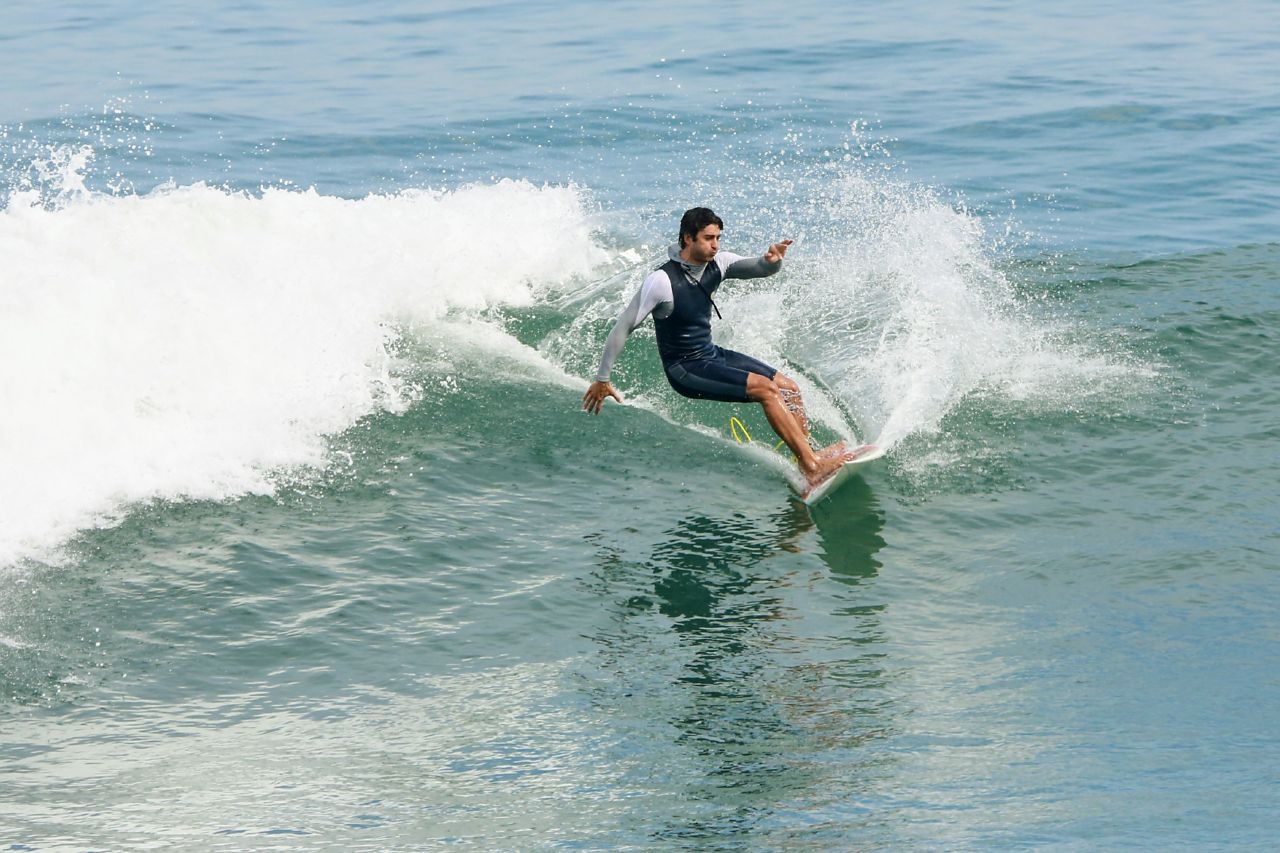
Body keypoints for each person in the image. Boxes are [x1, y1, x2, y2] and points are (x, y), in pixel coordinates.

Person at [582, 207, 854, 493]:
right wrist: (603, 378)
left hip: (709, 354)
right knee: (766, 389)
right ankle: (812, 466)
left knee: (788, 388)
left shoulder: (718, 263)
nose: (715, 245)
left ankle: (808, 456)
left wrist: (773, 261)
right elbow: (623, 326)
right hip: (685, 369)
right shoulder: (661, 281)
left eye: (718, 238)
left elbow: (760, 268)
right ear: (688, 238)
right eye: (708, 238)